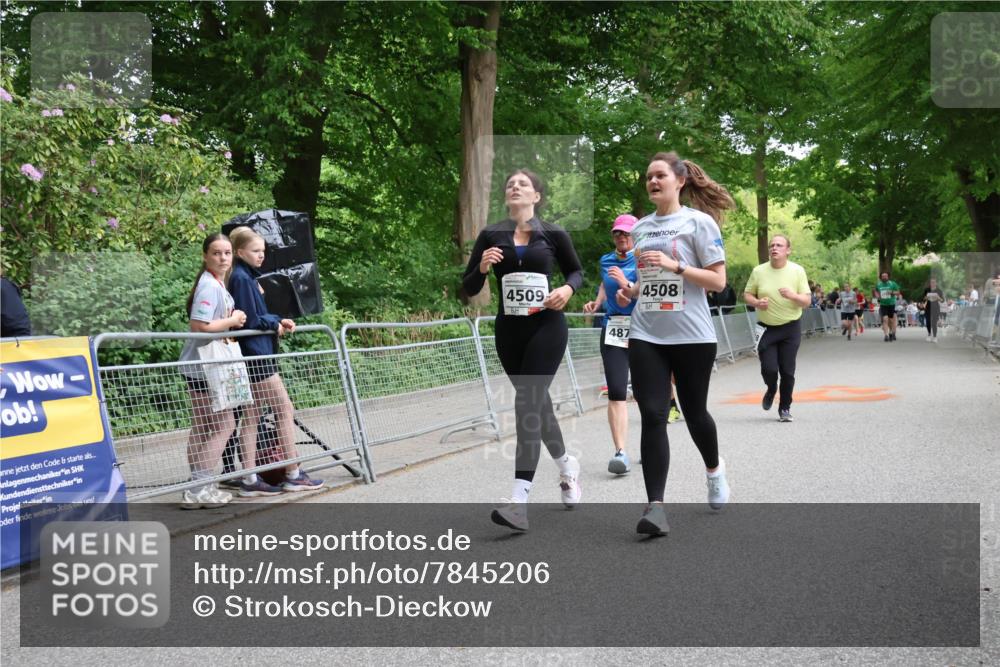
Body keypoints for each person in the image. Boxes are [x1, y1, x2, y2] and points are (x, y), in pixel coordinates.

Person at [613, 151, 732, 536]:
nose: (652, 181)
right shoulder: (642, 228)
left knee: (696, 412)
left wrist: (675, 266)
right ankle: (656, 508)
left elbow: (717, 282)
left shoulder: (700, 223)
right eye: (648, 176)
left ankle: (714, 470)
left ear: (679, 180)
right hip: (647, 333)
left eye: (660, 175)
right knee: (653, 414)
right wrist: (630, 291)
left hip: (693, 335)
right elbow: (648, 281)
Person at [462, 169, 584, 532]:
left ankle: (519, 499)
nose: (515, 188)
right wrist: (482, 268)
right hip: (509, 332)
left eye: (523, 185)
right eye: (510, 185)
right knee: (537, 405)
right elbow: (468, 287)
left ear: (537, 196)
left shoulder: (553, 233)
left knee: (526, 402)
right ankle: (567, 466)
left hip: (547, 327)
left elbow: (576, 272)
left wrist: (567, 290)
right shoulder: (491, 235)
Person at [228, 226, 324, 496]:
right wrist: (274, 323)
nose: (261, 256)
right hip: (256, 354)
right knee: (283, 409)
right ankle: (292, 473)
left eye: (263, 251)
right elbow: (251, 318)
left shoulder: (245, 277)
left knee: (252, 415)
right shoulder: (242, 278)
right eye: (256, 251)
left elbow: (257, 315)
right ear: (240, 251)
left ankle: (249, 478)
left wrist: (275, 320)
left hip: (255, 352)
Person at [177, 233, 247, 509]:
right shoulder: (209, 286)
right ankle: (198, 488)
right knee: (224, 425)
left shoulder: (215, 283)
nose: (223, 258)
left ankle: (200, 487)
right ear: (205, 256)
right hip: (205, 366)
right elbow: (200, 326)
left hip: (202, 364)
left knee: (203, 427)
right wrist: (233, 319)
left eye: (227, 253)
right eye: (217, 253)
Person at [584, 214, 638, 475]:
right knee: (617, 390)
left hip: (642, 329)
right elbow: (605, 287)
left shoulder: (645, 259)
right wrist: (597, 302)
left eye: (627, 233)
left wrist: (626, 287)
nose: (622, 237)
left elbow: (650, 291)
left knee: (646, 393)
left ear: (636, 235)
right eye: (618, 233)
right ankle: (620, 452)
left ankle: (651, 445)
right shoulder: (606, 260)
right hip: (613, 328)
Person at [743, 234, 812, 423]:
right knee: (769, 369)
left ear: (787, 250)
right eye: (772, 245)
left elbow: (806, 301)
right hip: (767, 328)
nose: (774, 248)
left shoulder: (797, 271)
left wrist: (793, 296)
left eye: (779, 245)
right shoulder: (759, 271)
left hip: (790, 328)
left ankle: (785, 407)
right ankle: (771, 388)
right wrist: (757, 302)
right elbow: (747, 295)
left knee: (788, 371)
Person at [876, 271, 901, 342]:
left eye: (885, 276)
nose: (884, 277)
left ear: (888, 277)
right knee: (885, 319)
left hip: (891, 304)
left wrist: (892, 292)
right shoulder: (879, 284)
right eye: (883, 276)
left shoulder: (892, 284)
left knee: (891, 320)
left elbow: (898, 292)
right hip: (883, 304)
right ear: (881, 277)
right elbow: (876, 291)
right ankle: (886, 335)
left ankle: (891, 332)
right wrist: (878, 296)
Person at [920, 277, 944, 342]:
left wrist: (938, 297)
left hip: (936, 308)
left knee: (934, 323)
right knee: (928, 321)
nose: (932, 283)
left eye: (934, 282)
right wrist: (926, 297)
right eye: (931, 282)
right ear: (930, 283)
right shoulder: (927, 290)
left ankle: (935, 336)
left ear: (936, 283)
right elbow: (923, 299)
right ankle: (929, 334)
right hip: (928, 307)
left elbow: (942, 300)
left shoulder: (939, 290)